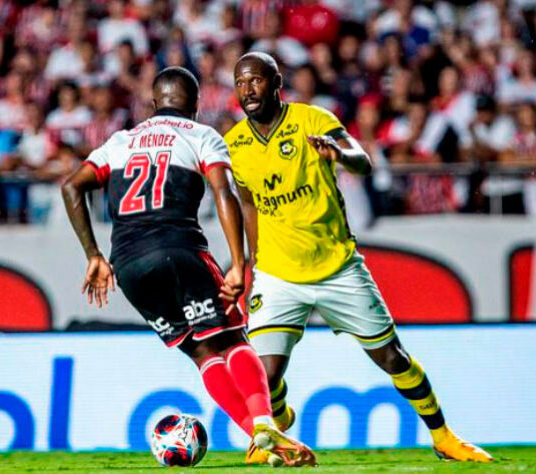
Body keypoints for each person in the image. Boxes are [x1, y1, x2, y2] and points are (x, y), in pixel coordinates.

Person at [224, 52, 492, 463]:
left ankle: (443, 437)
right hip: (278, 274)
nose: (248, 90)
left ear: (276, 83)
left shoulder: (313, 120)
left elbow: (363, 162)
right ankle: (277, 422)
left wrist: (338, 153)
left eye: (256, 81)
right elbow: (247, 204)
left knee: (392, 357)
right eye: (241, 83)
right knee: (264, 375)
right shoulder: (235, 144)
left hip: (338, 268)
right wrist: (251, 262)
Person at [61, 66, 316, 467]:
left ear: (153, 104)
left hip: (128, 265)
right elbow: (223, 190)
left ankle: (259, 439)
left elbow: (71, 186)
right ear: (196, 106)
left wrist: (94, 255)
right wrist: (239, 261)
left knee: (201, 352)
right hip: (179, 250)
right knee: (233, 340)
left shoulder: (119, 141)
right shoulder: (200, 135)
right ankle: (265, 424)